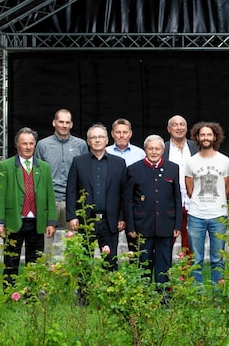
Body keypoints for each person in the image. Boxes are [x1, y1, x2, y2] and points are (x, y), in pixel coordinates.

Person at [0, 127, 57, 288]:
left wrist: (51, 222)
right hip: (14, 221)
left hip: (37, 221)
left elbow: (50, 195)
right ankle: (9, 294)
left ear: (35, 145)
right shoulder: (6, 166)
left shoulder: (44, 167)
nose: (28, 147)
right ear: (17, 145)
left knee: (35, 260)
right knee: (11, 260)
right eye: (24, 144)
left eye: (31, 143)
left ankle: (32, 294)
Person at [66, 123, 127, 271]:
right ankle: (84, 294)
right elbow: (71, 191)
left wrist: (122, 217)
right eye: (94, 137)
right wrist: (72, 216)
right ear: (88, 141)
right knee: (84, 261)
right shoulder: (78, 162)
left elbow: (124, 193)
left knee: (110, 261)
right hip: (86, 220)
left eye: (101, 137)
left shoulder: (119, 163)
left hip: (109, 221)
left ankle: (110, 293)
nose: (97, 140)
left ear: (107, 140)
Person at [125, 135, 182, 288]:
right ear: (145, 150)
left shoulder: (173, 168)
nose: (154, 152)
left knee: (164, 263)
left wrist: (177, 224)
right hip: (143, 225)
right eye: (151, 148)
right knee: (143, 263)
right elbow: (129, 200)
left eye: (157, 149)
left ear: (163, 150)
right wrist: (130, 226)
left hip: (166, 224)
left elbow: (177, 197)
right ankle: (143, 297)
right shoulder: (133, 169)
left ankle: (163, 297)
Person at [34, 109, 88, 259]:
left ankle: (74, 279)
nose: (64, 125)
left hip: (72, 202)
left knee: (75, 244)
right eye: (61, 122)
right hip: (49, 201)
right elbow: (37, 176)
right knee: (45, 246)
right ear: (54, 123)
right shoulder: (43, 145)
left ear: (71, 124)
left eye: (67, 122)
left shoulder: (81, 145)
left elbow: (84, 174)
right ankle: (44, 278)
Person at [184, 122, 229, 284]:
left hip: (219, 216)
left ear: (215, 137)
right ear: (197, 137)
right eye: (202, 135)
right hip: (196, 215)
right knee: (196, 259)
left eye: (209, 135)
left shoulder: (224, 161)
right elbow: (189, 189)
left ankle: (218, 295)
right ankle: (198, 295)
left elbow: (227, 187)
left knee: (217, 259)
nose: (205, 138)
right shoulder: (191, 162)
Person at [106, 118, 145, 252]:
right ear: (112, 134)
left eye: (125, 132)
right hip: (112, 202)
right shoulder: (105, 152)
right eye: (118, 132)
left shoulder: (140, 153)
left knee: (135, 246)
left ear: (130, 134)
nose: (121, 135)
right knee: (109, 247)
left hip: (134, 204)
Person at [164, 115, 199, 255]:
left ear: (186, 127)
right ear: (168, 128)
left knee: (190, 242)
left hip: (192, 201)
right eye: (175, 125)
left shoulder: (196, 147)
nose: (179, 128)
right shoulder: (163, 148)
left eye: (182, 124)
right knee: (167, 241)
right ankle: (165, 274)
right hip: (169, 203)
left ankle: (187, 275)